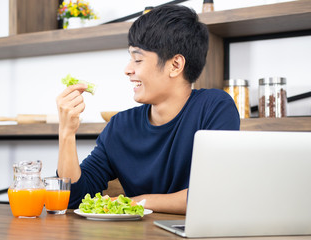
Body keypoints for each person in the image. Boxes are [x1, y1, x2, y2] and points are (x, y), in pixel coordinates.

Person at [56, 4, 240, 214]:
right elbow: (73, 198)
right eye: (130, 58)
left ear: (175, 65)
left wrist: (137, 202)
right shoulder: (121, 126)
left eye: (138, 59)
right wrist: (67, 133)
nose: (127, 69)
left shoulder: (214, 107)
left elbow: (212, 195)